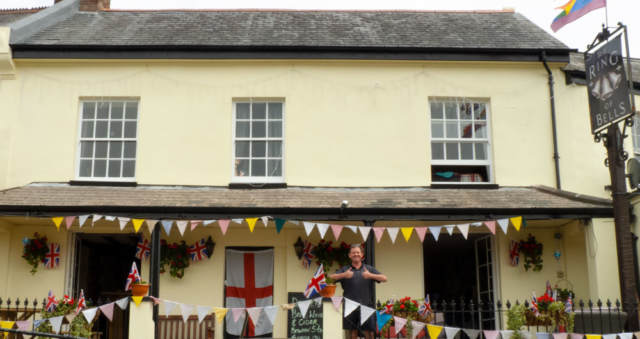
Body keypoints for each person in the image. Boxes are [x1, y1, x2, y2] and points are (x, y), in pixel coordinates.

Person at [330, 244, 387, 339]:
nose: (356, 254)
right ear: (349, 255)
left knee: (370, 333)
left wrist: (371, 275)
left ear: (362, 254)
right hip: (349, 306)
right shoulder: (345, 269)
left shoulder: (369, 269)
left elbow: (384, 278)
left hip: (367, 305)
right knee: (352, 333)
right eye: (353, 253)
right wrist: (343, 275)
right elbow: (328, 278)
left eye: (358, 252)